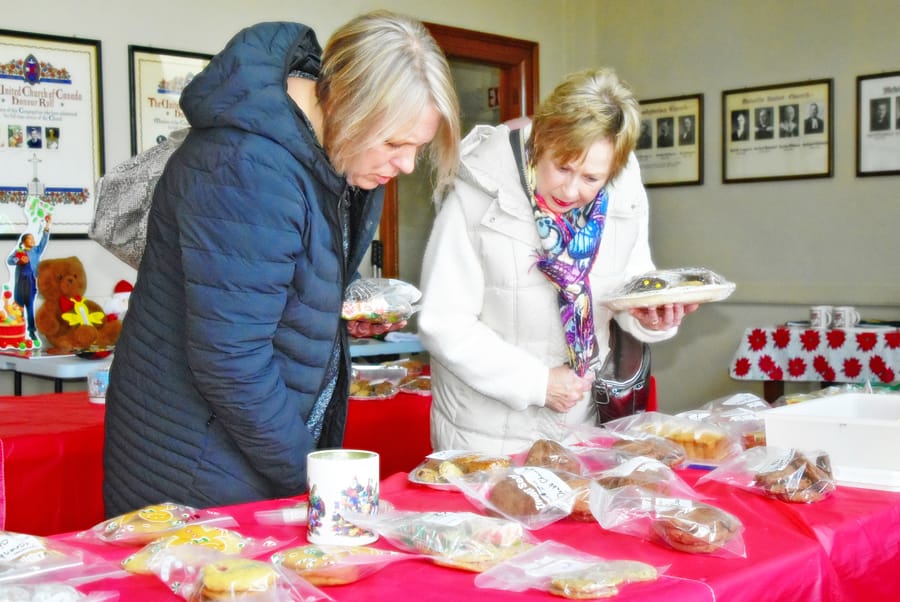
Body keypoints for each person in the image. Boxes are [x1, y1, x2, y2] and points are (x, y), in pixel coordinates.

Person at [102, 11, 460, 516]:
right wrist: (314, 477)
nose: (404, 165)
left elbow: (282, 269)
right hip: (195, 461)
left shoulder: (317, 152)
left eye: (417, 149)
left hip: (233, 444)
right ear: (349, 106)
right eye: (395, 144)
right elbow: (232, 362)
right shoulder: (249, 168)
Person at [418, 69, 697, 455]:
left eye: (591, 178)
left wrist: (648, 317)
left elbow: (626, 286)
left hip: (579, 430)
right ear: (542, 139)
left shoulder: (623, 196)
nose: (571, 189)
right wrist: (537, 383)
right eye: (562, 167)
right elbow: (443, 323)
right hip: (485, 438)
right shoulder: (478, 191)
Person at [7, 217, 51, 341]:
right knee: (19, 307)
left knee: (30, 308)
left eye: (33, 238)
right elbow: (10, 261)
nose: (32, 240)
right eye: (30, 238)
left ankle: (31, 331)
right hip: (19, 283)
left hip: (31, 283)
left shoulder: (36, 251)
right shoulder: (18, 251)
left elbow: (43, 241)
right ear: (24, 241)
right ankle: (19, 331)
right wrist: (18, 260)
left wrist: (47, 225)